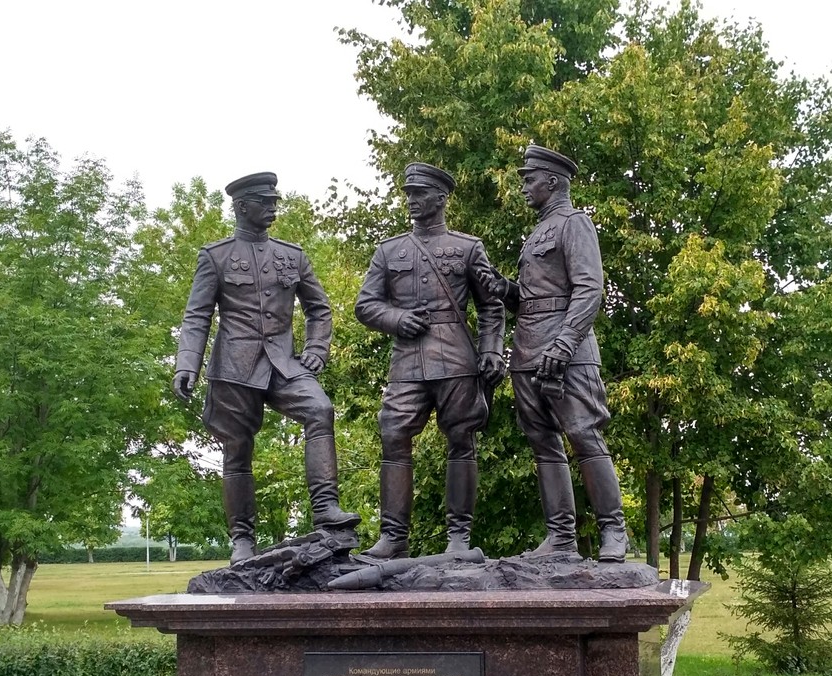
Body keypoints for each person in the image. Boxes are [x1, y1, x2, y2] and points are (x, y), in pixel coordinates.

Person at [172, 172, 359, 564]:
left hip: (284, 364)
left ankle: (326, 508)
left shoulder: (293, 256)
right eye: (265, 202)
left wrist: (317, 350)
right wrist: (186, 364)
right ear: (242, 207)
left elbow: (319, 309)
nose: (273, 207)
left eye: (275, 201)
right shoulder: (216, 256)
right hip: (235, 367)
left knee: (320, 410)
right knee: (237, 449)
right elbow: (197, 316)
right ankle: (243, 539)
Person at [354, 162, 506, 558]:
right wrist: (397, 318)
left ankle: (459, 537)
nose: (412, 201)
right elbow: (366, 305)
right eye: (408, 195)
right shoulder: (389, 250)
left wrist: (491, 350)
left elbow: (492, 306)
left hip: (456, 357)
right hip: (407, 361)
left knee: (461, 440)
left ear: (440, 199)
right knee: (393, 434)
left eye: (419, 195)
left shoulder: (467, 247)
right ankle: (394, 537)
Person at [507, 144, 627, 562]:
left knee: (582, 435)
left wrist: (564, 343)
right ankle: (560, 539)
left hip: (567, 351)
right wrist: (501, 289)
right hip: (525, 351)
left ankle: (614, 531)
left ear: (552, 181)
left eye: (529, 179)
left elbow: (590, 288)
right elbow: (531, 299)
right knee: (543, 443)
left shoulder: (575, 224)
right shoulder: (537, 233)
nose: (524, 187)